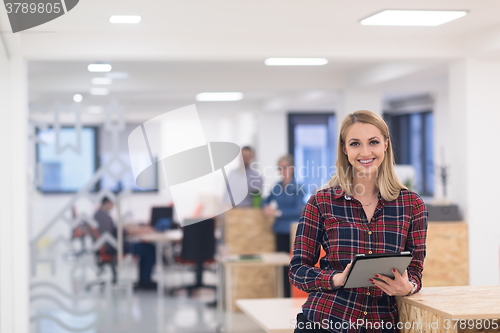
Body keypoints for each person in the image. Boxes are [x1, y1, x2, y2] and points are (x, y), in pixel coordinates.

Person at [289, 110, 428, 333]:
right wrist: (337, 278)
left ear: (385, 144)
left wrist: (407, 286)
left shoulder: (411, 205)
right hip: (325, 321)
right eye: (355, 144)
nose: (365, 152)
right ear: (345, 149)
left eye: (373, 142)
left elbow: (415, 270)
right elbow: (297, 270)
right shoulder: (321, 202)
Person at [262, 154, 305, 297]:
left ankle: (291, 294)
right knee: (281, 265)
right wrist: (266, 207)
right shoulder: (277, 186)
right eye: (280, 168)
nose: (282, 170)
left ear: (292, 168)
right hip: (279, 230)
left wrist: (278, 212)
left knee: (291, 265)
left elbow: (298, 210)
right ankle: (282, 294)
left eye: (285, 167)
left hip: (291, 232)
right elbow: (265, 200)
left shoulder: (298, 187)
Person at [94, 197, 157, 290]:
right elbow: (115, 232)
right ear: (107, 202)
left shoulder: (100, 215)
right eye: (112, 203)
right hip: (115, 247)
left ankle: (144, 280)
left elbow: (114, 231)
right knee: (149, 248)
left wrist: (130, 230)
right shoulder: (103, 216)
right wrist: (132, 231)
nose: (113, 206)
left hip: (113, 245)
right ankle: (145, 281)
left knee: (146, 247)